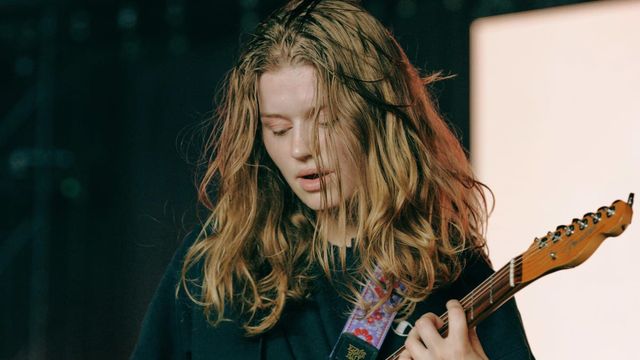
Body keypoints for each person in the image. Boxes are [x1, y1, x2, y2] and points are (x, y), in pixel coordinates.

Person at [131, 1, 534, 359]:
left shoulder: (449, 270)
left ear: (378, 121)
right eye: (278, 129)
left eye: (326, 121)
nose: (301, 149)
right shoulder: (214, 264)